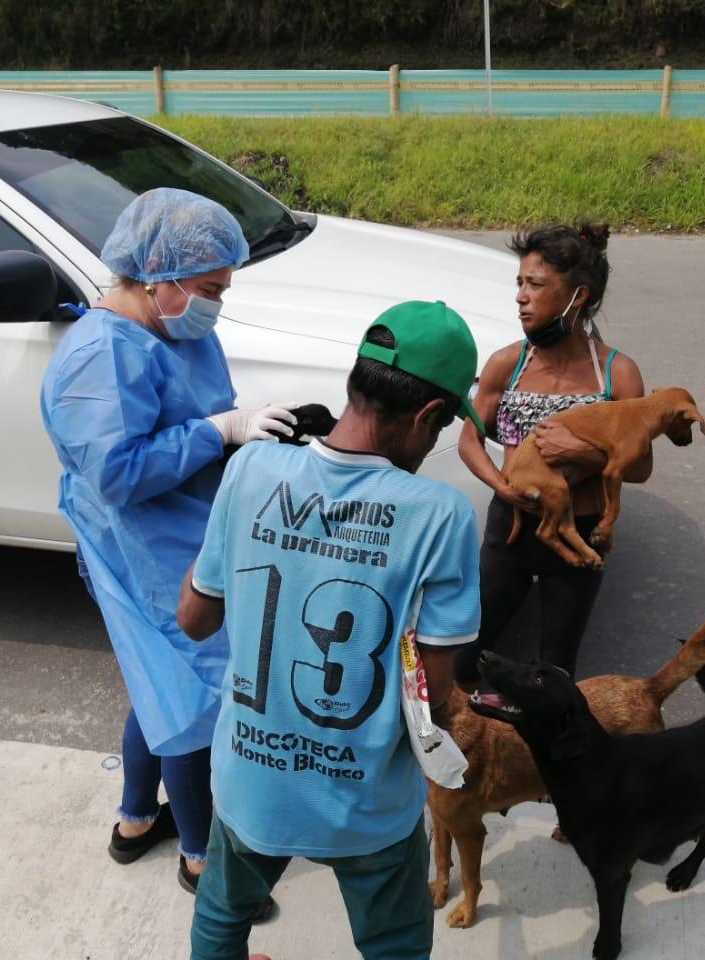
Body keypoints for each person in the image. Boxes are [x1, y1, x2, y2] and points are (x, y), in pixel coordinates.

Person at [178, 301, 484, 960]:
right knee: (396, 943)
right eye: (442, 429)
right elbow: (430, 693)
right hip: (364, 801)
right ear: (427, 418)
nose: (433, 445)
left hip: (251, 784)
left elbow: (194, 618)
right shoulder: (440, 515)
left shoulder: (251, 468)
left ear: (356, 381)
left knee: (222, 916)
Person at [39, 187, 297, 914]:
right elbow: (117, 473)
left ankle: (136, 819)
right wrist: (220, 432)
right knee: (191, 701)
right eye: (210, 289)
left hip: (181, 534)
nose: (218, 302)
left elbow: (202, 409)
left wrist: (241, 430)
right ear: (158, 277)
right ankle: (200, 859)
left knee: (156, 683)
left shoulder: (175, 330)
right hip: (143, 554)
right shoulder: (101, 357)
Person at [454, 223, 650, 689]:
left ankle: (542, 758)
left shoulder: (616, 374)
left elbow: (640, 467)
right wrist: (502, 487)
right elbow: (469, 440)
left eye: (536, 285)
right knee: (467, 651)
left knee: (556, 667)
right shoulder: (508, 362)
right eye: (519, 283)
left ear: (577, 296)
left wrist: (584, 450)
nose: (521, 296)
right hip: (512, 529)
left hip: (581, 536)